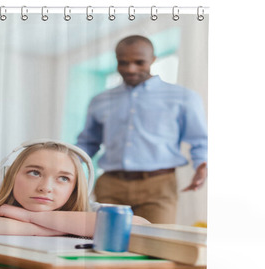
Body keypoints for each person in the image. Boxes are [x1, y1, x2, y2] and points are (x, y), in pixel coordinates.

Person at [76, 35, 208, 224]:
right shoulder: (100, 101)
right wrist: (66, 161)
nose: (130, 69)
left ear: (153, 60)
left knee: (155, 246)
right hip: (110, 185)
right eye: (123, 63)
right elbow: (88, 142)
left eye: (139, 62)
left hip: (159, 186)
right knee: (106, 245)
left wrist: (202, 164)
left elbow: (199, 140)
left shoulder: (184, 97)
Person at [0, 141, 149, 237]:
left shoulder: (83, 211)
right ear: (10, 176)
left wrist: (31, 217)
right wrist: (36, 230)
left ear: (74, 188)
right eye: (35, 173)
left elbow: (139, 225)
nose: (45, 188)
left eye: (63, 178)